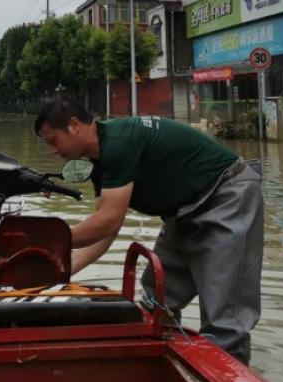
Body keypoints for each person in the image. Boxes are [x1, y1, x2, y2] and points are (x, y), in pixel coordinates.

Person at [34, 98, 263, 365]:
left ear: (74, 126)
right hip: (183, 212)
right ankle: (165, 366)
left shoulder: (119, 142)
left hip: (226, 197)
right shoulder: (101, 161)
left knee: (224, 317)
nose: (53, 150)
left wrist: (49, 240)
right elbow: (105, 228)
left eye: (53, 140)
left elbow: (107, 221)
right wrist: (61, 269)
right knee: (158, 298)